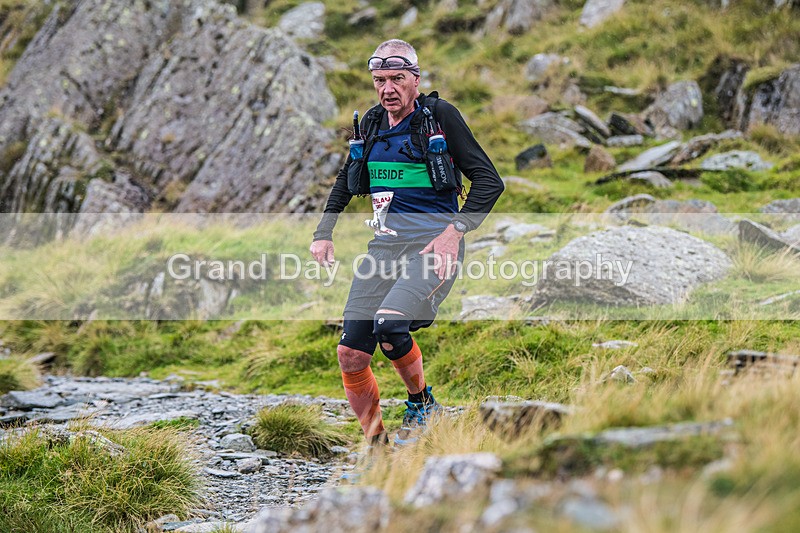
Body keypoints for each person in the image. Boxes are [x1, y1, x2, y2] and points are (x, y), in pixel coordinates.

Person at [310, 39, 504, 446]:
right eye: (380, 80)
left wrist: (455, 232)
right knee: (350, 353)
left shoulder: (440, 117)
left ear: (416, 79)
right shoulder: (372, 124)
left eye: (397, 78)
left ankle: (422, 402)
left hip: (432, 246)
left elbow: (489, 180)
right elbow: (346, 184)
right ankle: (376, 446)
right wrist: (324, 234)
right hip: (382, 249)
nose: (387, 88)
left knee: (389, 324)